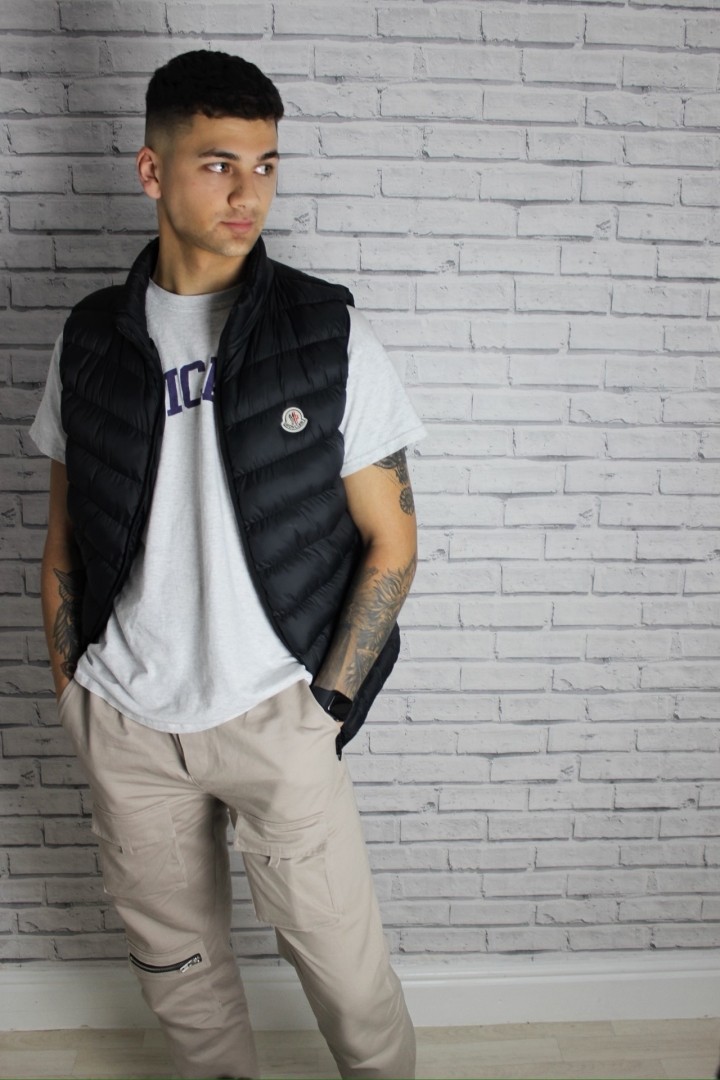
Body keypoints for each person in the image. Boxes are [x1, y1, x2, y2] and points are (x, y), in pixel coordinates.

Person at [29, 49, 424, 1080]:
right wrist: (75, 690)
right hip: (127, 718)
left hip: (276, 713)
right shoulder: (89, 341)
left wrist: (325, 706)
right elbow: (63, 537)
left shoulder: (325, 333)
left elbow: (393, 541)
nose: (249, 192)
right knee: (182, 978)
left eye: (265, 164)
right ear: (152, 171)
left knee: (347, 974)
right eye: (218, 164)